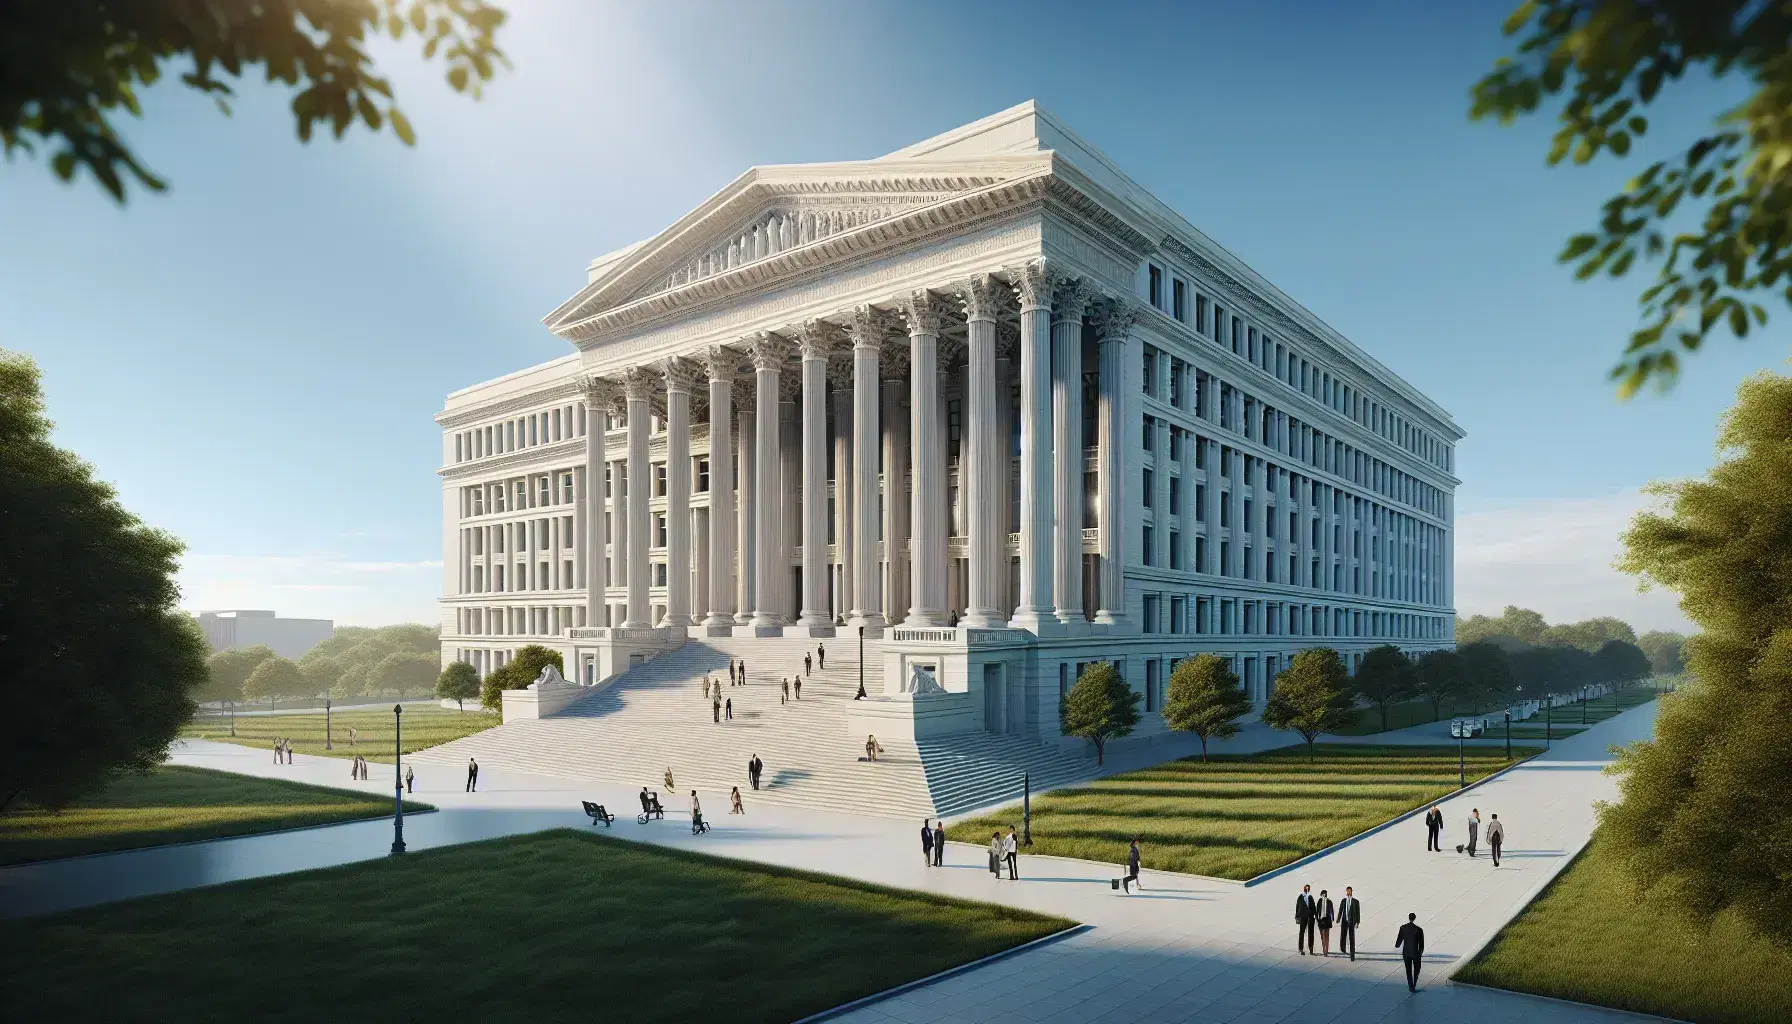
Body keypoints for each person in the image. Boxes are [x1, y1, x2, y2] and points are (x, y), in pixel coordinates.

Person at [1395, 913, 1426, 991]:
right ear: (1414, 918)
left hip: (1406, 952)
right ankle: (1414, 983)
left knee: (1408, 969)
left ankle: (1410, 985)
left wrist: (1397, 945)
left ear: (1409, 918)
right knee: (1417, 969)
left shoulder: (1403, 927)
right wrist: (1421, 951)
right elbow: (1421, 943)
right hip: (1415, 952)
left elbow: (1400, 938)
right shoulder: (1419, 929)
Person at [1338, 886, 1361, 961]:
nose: (1348, 892)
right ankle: (1343, 948)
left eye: (1349, 891)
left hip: (1352, 922)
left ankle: (1352, 955)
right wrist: (1338, 918)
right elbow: (1341, 910)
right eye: (1347, 891)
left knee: (1352, 938)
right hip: (1344, 921)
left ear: (1351, 892)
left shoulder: (1355, 901)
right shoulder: (1343, 900)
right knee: (1343, 936)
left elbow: (1358, 913)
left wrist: (1357, 922)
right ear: (1346, 892)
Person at [1295, 884, 1317, 954]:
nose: (1307, 889)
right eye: (1305, 888)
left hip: (1310, 917)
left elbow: (1314, 907)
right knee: (1302, 933)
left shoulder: (1310, 897)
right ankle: (1301, 948)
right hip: (1303, 917)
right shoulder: (1300, 897)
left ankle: (1311, 949)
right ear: (1303, 889)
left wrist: (1314, 915)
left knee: (1311, 933)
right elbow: (1298, 907)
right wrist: (1297, 916)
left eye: (1308, 888)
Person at [1316, 889, 1335, 956]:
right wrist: (1317, 919)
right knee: (1322, 936)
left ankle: (1326, 950)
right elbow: (1317, 910)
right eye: (1323, 894)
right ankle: (1324, 950)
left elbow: (1332, 910)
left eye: (1325, 894)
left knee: (1326, 936)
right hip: (1321, 920)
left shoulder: (1329, 901)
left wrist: (1332, 918)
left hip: (1327, 920)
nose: (1324, 896)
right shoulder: (1319, 901)